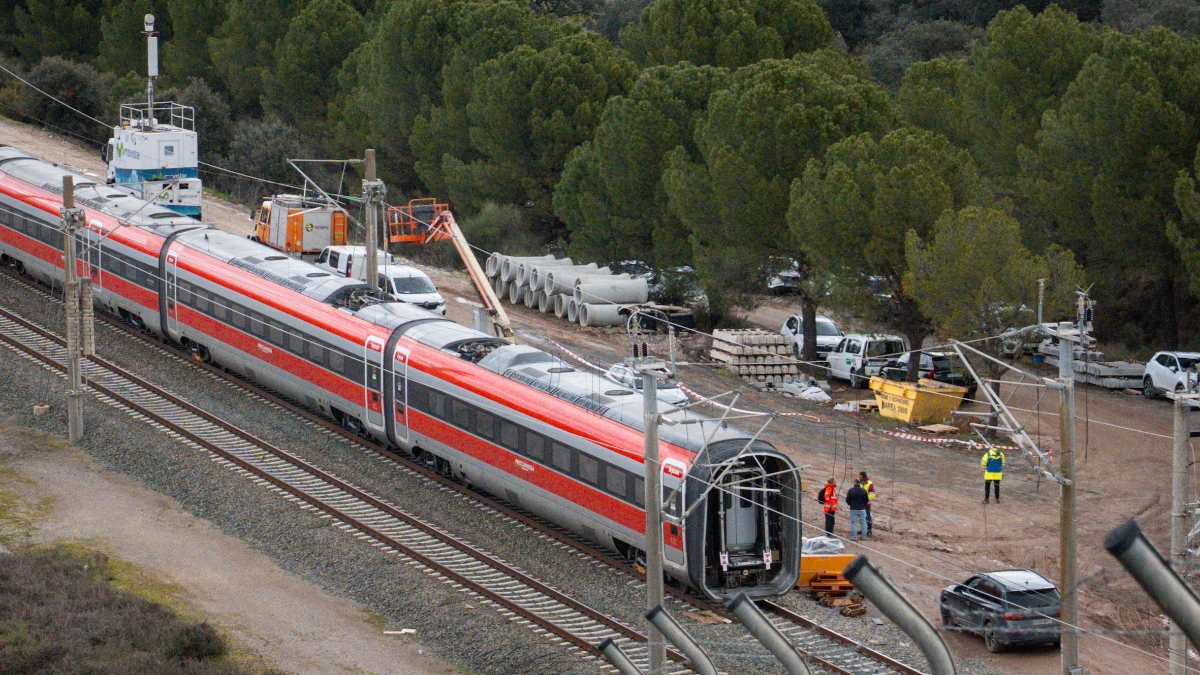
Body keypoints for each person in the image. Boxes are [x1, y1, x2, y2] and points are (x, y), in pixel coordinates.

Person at [859, 471, 875, 536]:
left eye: (860, 476)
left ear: (863, 476)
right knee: (861, 517)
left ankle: (869, 530)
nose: (859, 477)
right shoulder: (860, 483)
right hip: (860, 503)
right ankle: (863, 529)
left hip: (866, 503)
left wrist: (865, 500)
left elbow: (871, 494)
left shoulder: (869, 483)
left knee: (867, 517)